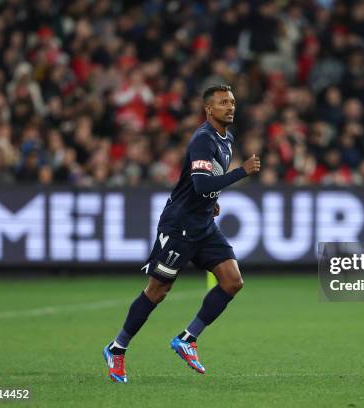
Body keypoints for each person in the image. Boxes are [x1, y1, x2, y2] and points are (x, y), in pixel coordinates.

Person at [103, 85, 261, 382]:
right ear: (208, 109)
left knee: (232, 281)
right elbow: (201, 184)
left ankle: (187, 339)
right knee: (158, 291)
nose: (230, 107)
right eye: (223, 103)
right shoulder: (203, 139)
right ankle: (117, 348)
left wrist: (212, 202)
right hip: (179, 227)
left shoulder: (226, 139)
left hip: (203, 224)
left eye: (233, 102)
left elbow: (204, 184)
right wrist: (242, 172)